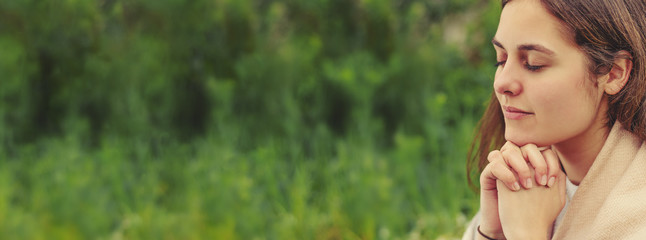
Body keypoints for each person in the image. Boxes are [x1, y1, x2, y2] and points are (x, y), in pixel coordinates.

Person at [462, 0, 646, 239]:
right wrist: (492, 232)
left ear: (613, 73)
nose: (501, 83)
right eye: (501, 59)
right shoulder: (519, 187)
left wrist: (526, 234)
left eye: (534, 64)